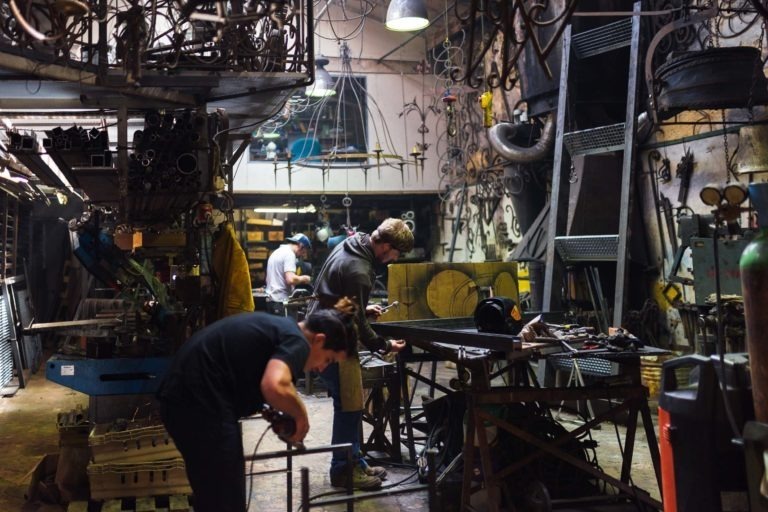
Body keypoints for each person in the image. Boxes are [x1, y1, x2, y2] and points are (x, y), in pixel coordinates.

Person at [157, 298, 358, 512]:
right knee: (225, 499)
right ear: (319, 340)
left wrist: (271, 412)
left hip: (183, 398)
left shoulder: (281, 329)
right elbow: (274, 384)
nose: (321, 368)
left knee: (212, 494)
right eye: (328, 359)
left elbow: (250, 376)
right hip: (201, 401)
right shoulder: (297, 341)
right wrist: (301, 417)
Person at [306, 218, 414, 490]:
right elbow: (360, 327)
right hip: (330, 340)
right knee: (348, 405)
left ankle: (354, 461)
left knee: (351, 403)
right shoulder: (360, 270)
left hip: (324, 325)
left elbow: (334, 294)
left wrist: (361, 308)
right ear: (386, 246)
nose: (393, 260)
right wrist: (384, 345)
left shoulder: (352, 243)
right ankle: (343, 470)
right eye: (395, 254)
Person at [265, 233, 312, 315]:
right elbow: (291, 279)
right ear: (300, 246)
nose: (301, 255)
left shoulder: (277, 252)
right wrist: (306, 278)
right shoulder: (289, 254)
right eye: (303, 252)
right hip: (281, 303)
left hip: (271, 301)